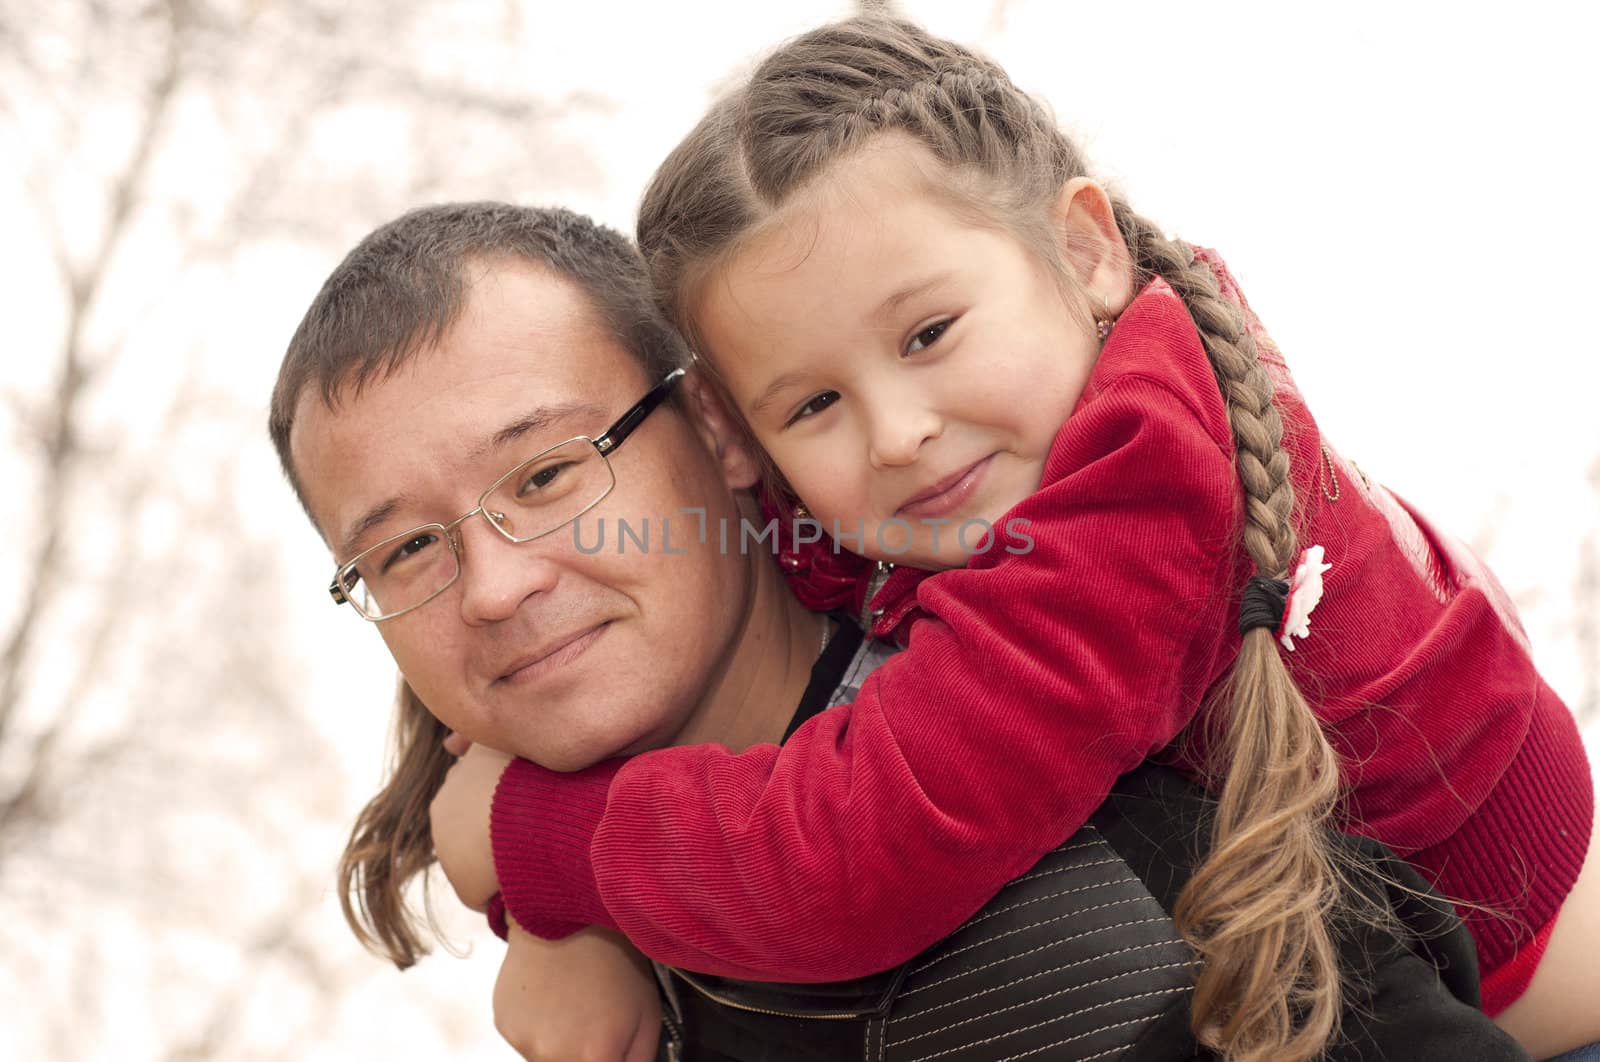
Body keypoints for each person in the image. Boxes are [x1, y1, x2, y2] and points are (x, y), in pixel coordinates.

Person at [427, 16, 1599, 1062]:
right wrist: (557, 924)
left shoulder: (1142, 491)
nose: (897, 431)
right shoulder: (997, 446)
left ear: (1083, 249)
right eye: (812, 406)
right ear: (740, 437)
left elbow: (848, 858)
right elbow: (650, 616)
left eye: (929, 332)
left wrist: (542, 840)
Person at [271, 203, 1526, 1061]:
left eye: (547, 473)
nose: (490, 587)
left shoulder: (1093, 847)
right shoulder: (587, 978)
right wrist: (558, 915)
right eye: (404, 551)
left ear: (715, 430)